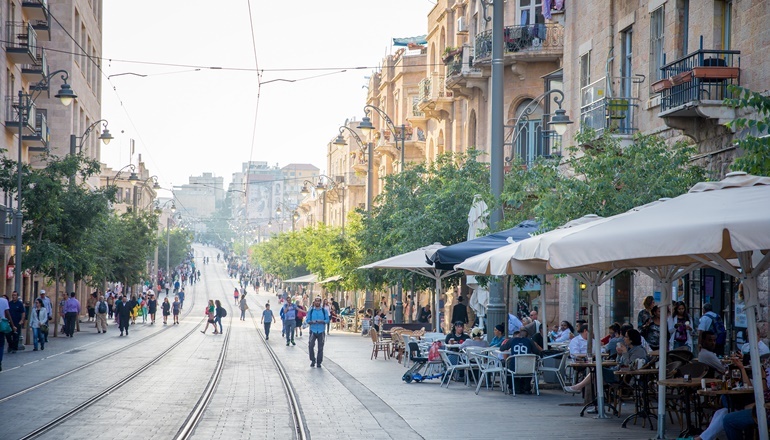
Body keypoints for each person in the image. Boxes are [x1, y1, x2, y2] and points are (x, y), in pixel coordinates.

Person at [695, 355, 769, 440]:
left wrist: (763, 378)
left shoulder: (764, 376)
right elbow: (749, 386)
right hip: (755, 403)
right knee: (721, 412)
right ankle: (703, 438)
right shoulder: (763, 373)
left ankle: (702, 438)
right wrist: (742, 368)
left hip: (762, 408)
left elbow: (765, 394)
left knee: (727, 416)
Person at [566, 329, 648, 393]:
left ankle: (578, 387)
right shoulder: (630, 349)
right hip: (618, 372)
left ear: (631, 339)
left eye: (626, 337)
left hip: (624, 377)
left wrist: (625, 353)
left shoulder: (638, 351)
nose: (624, 338)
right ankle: (597, 402)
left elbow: (629, 365)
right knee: (595, 373)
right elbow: (619, 362)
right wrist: (619, 354)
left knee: (597, 371)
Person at [501, 327, 542, 394]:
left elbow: (502, 348)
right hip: (527, 367)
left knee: (508, 367)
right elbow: (537, 352)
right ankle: (526, 388)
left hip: (515, 367)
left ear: (519, 334)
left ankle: (514, 388)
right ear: (527, 335)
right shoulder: (530, 341)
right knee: (529, 368)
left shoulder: (512, 340)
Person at [306, 297, 329, 368]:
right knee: (310, 346)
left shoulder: (324, 310)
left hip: (321, 331)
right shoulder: (311, 311)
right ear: (314, 302)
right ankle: (313, 360)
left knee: (320, 347)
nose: (317, 302)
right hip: (313, 330)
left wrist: (322, 321)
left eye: (318, 301)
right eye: (316, 301)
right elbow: (307, 320)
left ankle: (319, 362)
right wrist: (311, 322)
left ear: (320, 302)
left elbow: (327, 320)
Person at [0, 294, 9, 370]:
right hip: (1, 325)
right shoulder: (4, 301)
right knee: (1, 344)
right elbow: (7, 314)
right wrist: (12, 325)